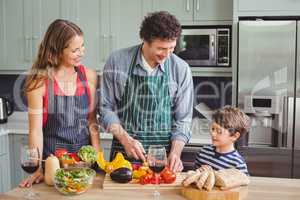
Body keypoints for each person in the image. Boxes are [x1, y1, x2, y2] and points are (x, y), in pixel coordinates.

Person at [99, 11, 193, 172]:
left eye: (171, 48)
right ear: (145, 40)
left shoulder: (181, 68)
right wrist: (125, 139)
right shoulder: (117, 61)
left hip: (162, 159)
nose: (167, 54)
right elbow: (105, 108)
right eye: (161, 48)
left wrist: (176, 153)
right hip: (123, 156)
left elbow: (183, 119)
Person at [20, 19, 100, 187]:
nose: (81, 52)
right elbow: (35, 131)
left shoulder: (89, 76)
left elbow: (92, 121)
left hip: (84, 164)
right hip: (53, 165)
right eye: (75, 50)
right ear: (57, 51)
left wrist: (99, 158)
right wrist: (36, 169)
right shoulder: (39, 83)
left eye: (83, 46)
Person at [194, 106, 250, 175]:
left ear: (235, 136)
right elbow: (195, 176)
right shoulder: (203, 152)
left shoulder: (237, 164)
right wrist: (199, 172)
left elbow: (243, 183)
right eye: (213, 128)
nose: (213, 134)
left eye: (219, 131)